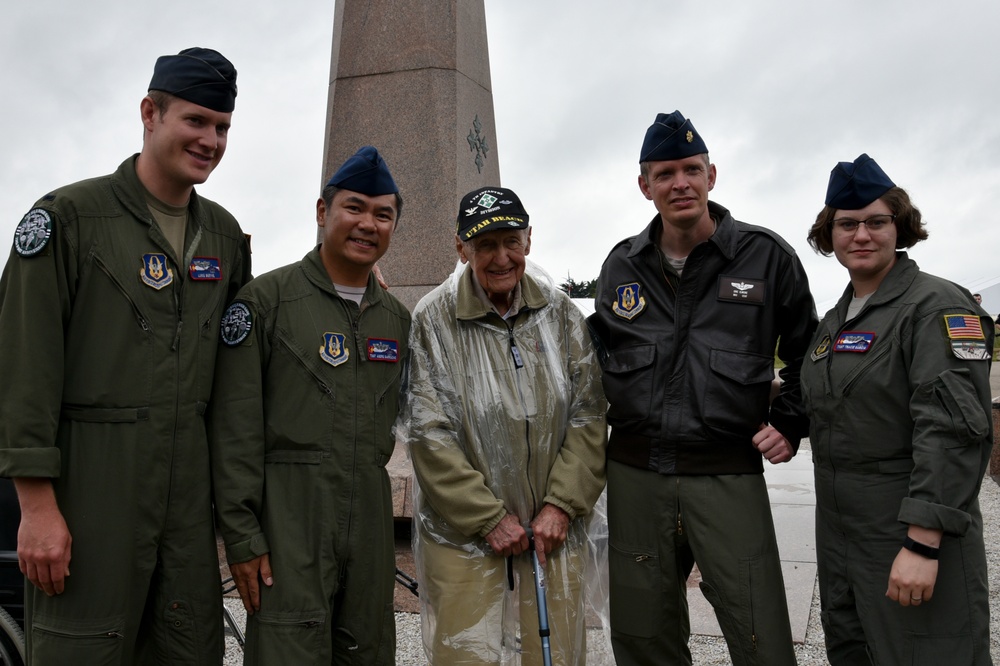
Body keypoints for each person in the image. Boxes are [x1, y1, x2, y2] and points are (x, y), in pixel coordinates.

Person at [0, 48, 248, 663]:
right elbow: (23, 368)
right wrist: (36, 509)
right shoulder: (69, 220)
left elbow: (247, 358)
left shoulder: (224, 235)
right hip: (91, 498)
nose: (210, 140)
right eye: (195, 121)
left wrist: (350, 276)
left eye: (221, 127)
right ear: (150, 112)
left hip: (187, 512)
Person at [589, 111, 817, 666]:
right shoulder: (622, 266)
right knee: (644, 639)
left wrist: (789, 421)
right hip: (636, 476)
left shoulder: (766, 258)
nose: (680, 183)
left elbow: (815, 353)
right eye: (664, 173)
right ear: (645, 186)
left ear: (712, 175)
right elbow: (585, 366)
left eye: (691, 169)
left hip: (726, 475)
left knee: (759, 631)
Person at [209, 146, 410, 665]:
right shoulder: (266, 303)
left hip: (367, 522)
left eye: (382, 214)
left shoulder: (395, 320)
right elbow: (235, 431)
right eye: (354, 207)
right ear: (322, 212)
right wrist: (243, 538)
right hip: (288, 524)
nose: (368, 223)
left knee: (368, 650)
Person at [401, 187, 608, 664]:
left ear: (529, 240)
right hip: (465, 535)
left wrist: (560, 505)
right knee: (465, 652)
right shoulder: (433, 321)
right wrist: (488, 518)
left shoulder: (562, 315)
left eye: (511, 241)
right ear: (461, 249)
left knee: (553, 653)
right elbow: (428, 432)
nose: (501, 257)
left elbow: (589, 415)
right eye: (485, 245)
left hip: (553, 531)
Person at [801, 154, 993, 665]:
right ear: (830, 234)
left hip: (904, 522)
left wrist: (924, 543)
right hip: (841, 529)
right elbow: (833, 400)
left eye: (876, 222)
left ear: (899, 227)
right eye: (847, 224)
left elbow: (952, 429)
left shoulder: (937, 306)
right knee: (855, 650)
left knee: (928, 653)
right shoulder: (836, 319)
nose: (861, 234)